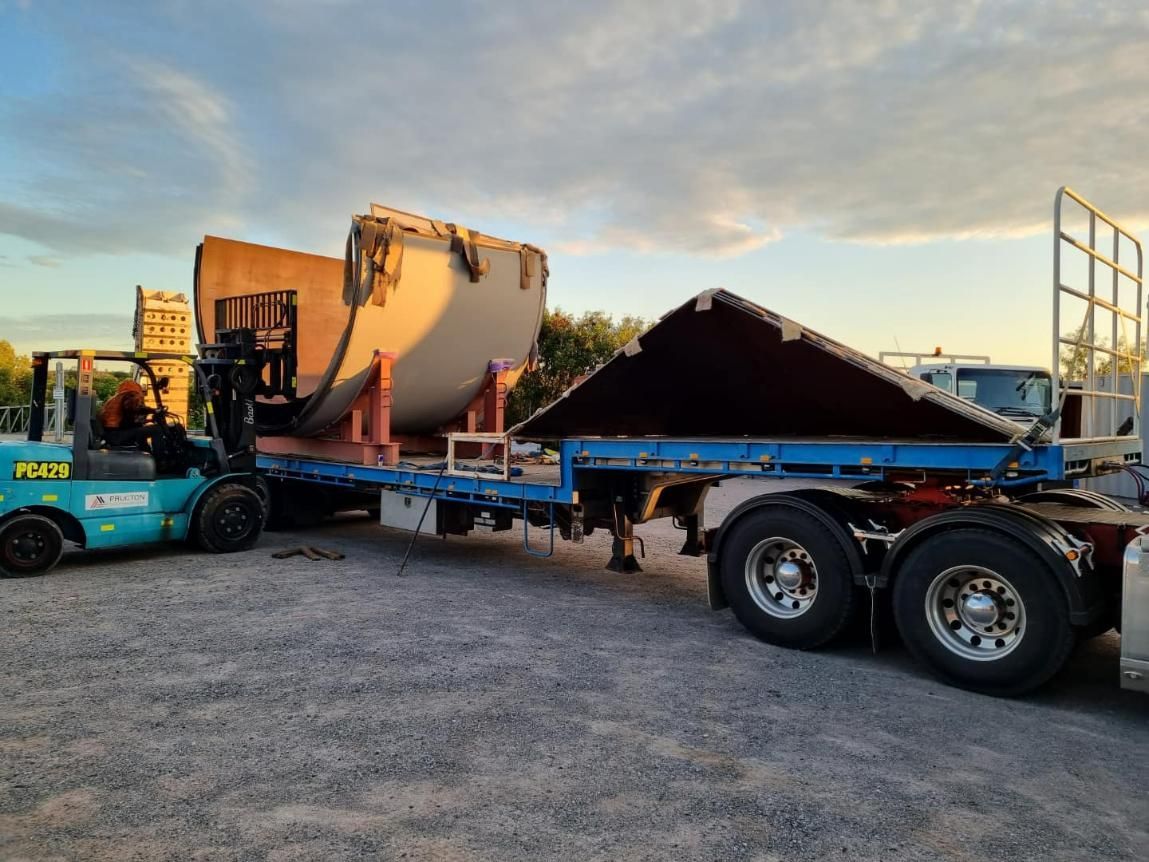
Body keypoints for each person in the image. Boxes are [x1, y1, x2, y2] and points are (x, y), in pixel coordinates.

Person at [99, 380, 158, 450]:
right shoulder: (129, 396)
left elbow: (126, 420)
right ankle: (160, 458)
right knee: (156, 429)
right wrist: (153, 410)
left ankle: (145, 451)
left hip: (112, 434)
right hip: (117, 436)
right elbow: (136, 410)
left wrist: (148, 420)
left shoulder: (116, 399)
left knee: (141, 431)